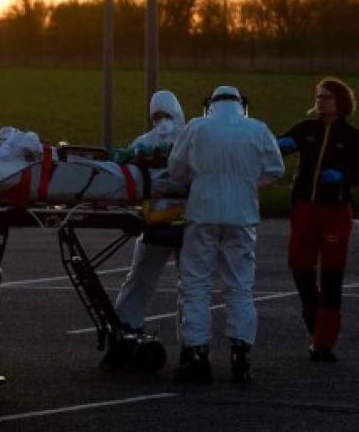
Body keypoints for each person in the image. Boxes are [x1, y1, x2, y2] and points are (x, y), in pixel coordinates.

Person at [168, 86, 284, 383]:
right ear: (240, 104)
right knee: (240, 286)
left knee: (196, 284)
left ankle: (197, 354)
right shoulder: (257, 129)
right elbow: (275, 168)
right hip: (242, 217)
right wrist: (247, 183)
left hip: (202, 214)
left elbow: (176, 169)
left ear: (212, 104)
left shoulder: (197, 126)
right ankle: (240, 354)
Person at [278, 76, 359, 363]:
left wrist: (344, 176)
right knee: (299, 265)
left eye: (326, 97)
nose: (320, 100)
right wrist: (276, 144)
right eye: (318, 96)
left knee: (332, 274)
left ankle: (324, 342)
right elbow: (280, 146)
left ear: (340, 102)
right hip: (304, 209)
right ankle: (312, 313)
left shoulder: (351, 137)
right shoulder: (305, 129)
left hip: (335, 211)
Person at [103, 90, 186, 368]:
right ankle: (192, 345)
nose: (162, 121)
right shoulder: (190, 140)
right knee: (190, 287)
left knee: (139, 280)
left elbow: (129, 176)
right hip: (187, 221)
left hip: (156, 221)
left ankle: (126, 330)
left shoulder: (143, 143)